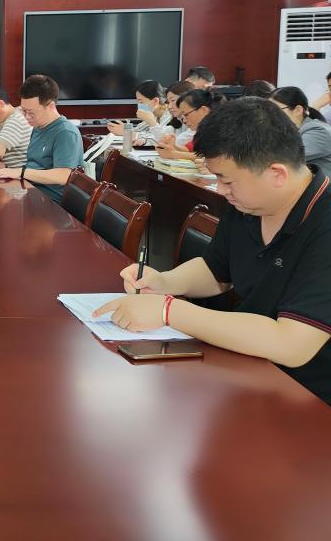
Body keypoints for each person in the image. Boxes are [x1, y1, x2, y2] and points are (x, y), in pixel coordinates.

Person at [95, 97, 331, 405]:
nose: (220, 190)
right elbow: (216, 271)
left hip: (309, 398)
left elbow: (292, 344)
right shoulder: (248, 204)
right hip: (248, 367)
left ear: (277, 174)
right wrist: (164, 282)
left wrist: (168, 311)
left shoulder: (323, 223)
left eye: (226, 180)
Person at [0, 74, 82, 202]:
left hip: (51, 202)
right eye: (24, 111)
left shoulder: (65, 133)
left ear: (50, 106)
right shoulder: (38, 127)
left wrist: (21, 172)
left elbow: (64, 175)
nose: (27, 117)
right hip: (30, 191)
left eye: (31, 112)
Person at [271, 87, 331, 177]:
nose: (270, 115)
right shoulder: (289, 132)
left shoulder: (318, 131)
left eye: (276, 110)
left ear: (298, 110)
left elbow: (282, 158)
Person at [157, 88, 224, 160]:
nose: (184, 121)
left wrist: (173, 154)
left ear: (203, 110)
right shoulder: (202, 131)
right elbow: (189, 150)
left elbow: (211, 157)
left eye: (186, 114)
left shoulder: (222, 130)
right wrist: (173, 146)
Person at [106, 80, 171, 146]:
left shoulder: (170, 116)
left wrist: (128, 133)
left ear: (155, 101)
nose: (139, 105)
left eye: (141, 102)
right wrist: (125, 129)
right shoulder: (154, 114)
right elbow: (139, 130)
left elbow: (158, 137)